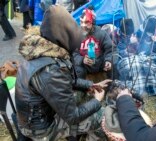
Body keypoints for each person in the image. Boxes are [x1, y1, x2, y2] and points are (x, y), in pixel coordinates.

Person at [15, 5, 111, 141]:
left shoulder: (41, 51)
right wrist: (97, 101)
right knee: (103, 118)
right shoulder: (51, 69)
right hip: (41, 129)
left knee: (81, 94)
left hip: (38, 115)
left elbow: (67, 81)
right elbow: (73, 116)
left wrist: (91, 84)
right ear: (63, 36)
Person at [74, 7, 114, 79]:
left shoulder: (101, 34)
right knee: (77, 70)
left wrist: (108, 61)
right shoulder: (76, 35)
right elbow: (73, 53)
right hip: (84, 68)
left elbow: (111, 49)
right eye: (81, 22)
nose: (83, 25)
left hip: (99, 65)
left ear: (92, 23)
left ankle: (112, 88)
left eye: (87, 22)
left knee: (113, 67)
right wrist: (82, 59)